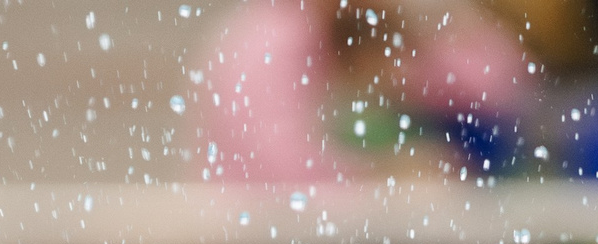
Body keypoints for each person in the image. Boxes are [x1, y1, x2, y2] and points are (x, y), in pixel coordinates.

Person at [194, 0, 531, 185]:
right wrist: (386, 176)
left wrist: (418, 29)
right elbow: (279, 177)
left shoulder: (383, 26)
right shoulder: (267, 39)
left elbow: (507, 86)